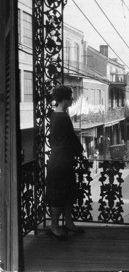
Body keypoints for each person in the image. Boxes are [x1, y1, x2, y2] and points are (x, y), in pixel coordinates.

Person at [46, 85, 85, 240]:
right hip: (61, 161)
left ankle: (68, 223)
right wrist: (80, 152)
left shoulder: (55, 115)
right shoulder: (62, 117)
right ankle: (55, 227)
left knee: (67, 192)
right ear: (64, 99)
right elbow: (72, 138)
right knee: (59, 194)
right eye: (70, 97)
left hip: (60, 159)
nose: (72, 99)